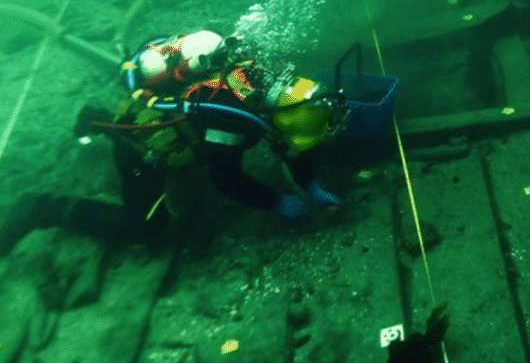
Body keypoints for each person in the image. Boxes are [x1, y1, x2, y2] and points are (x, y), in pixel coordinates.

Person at [0, 29, 348, 255]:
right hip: (146, 143)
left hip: (195, 116)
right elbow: (227, 181)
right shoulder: (230, 118)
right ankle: (38, 208)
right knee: (148, 231)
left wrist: (309, 182)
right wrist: (277, 202)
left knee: (210, 149)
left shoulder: (268, 77)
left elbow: (284, 143)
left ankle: (98, 120)